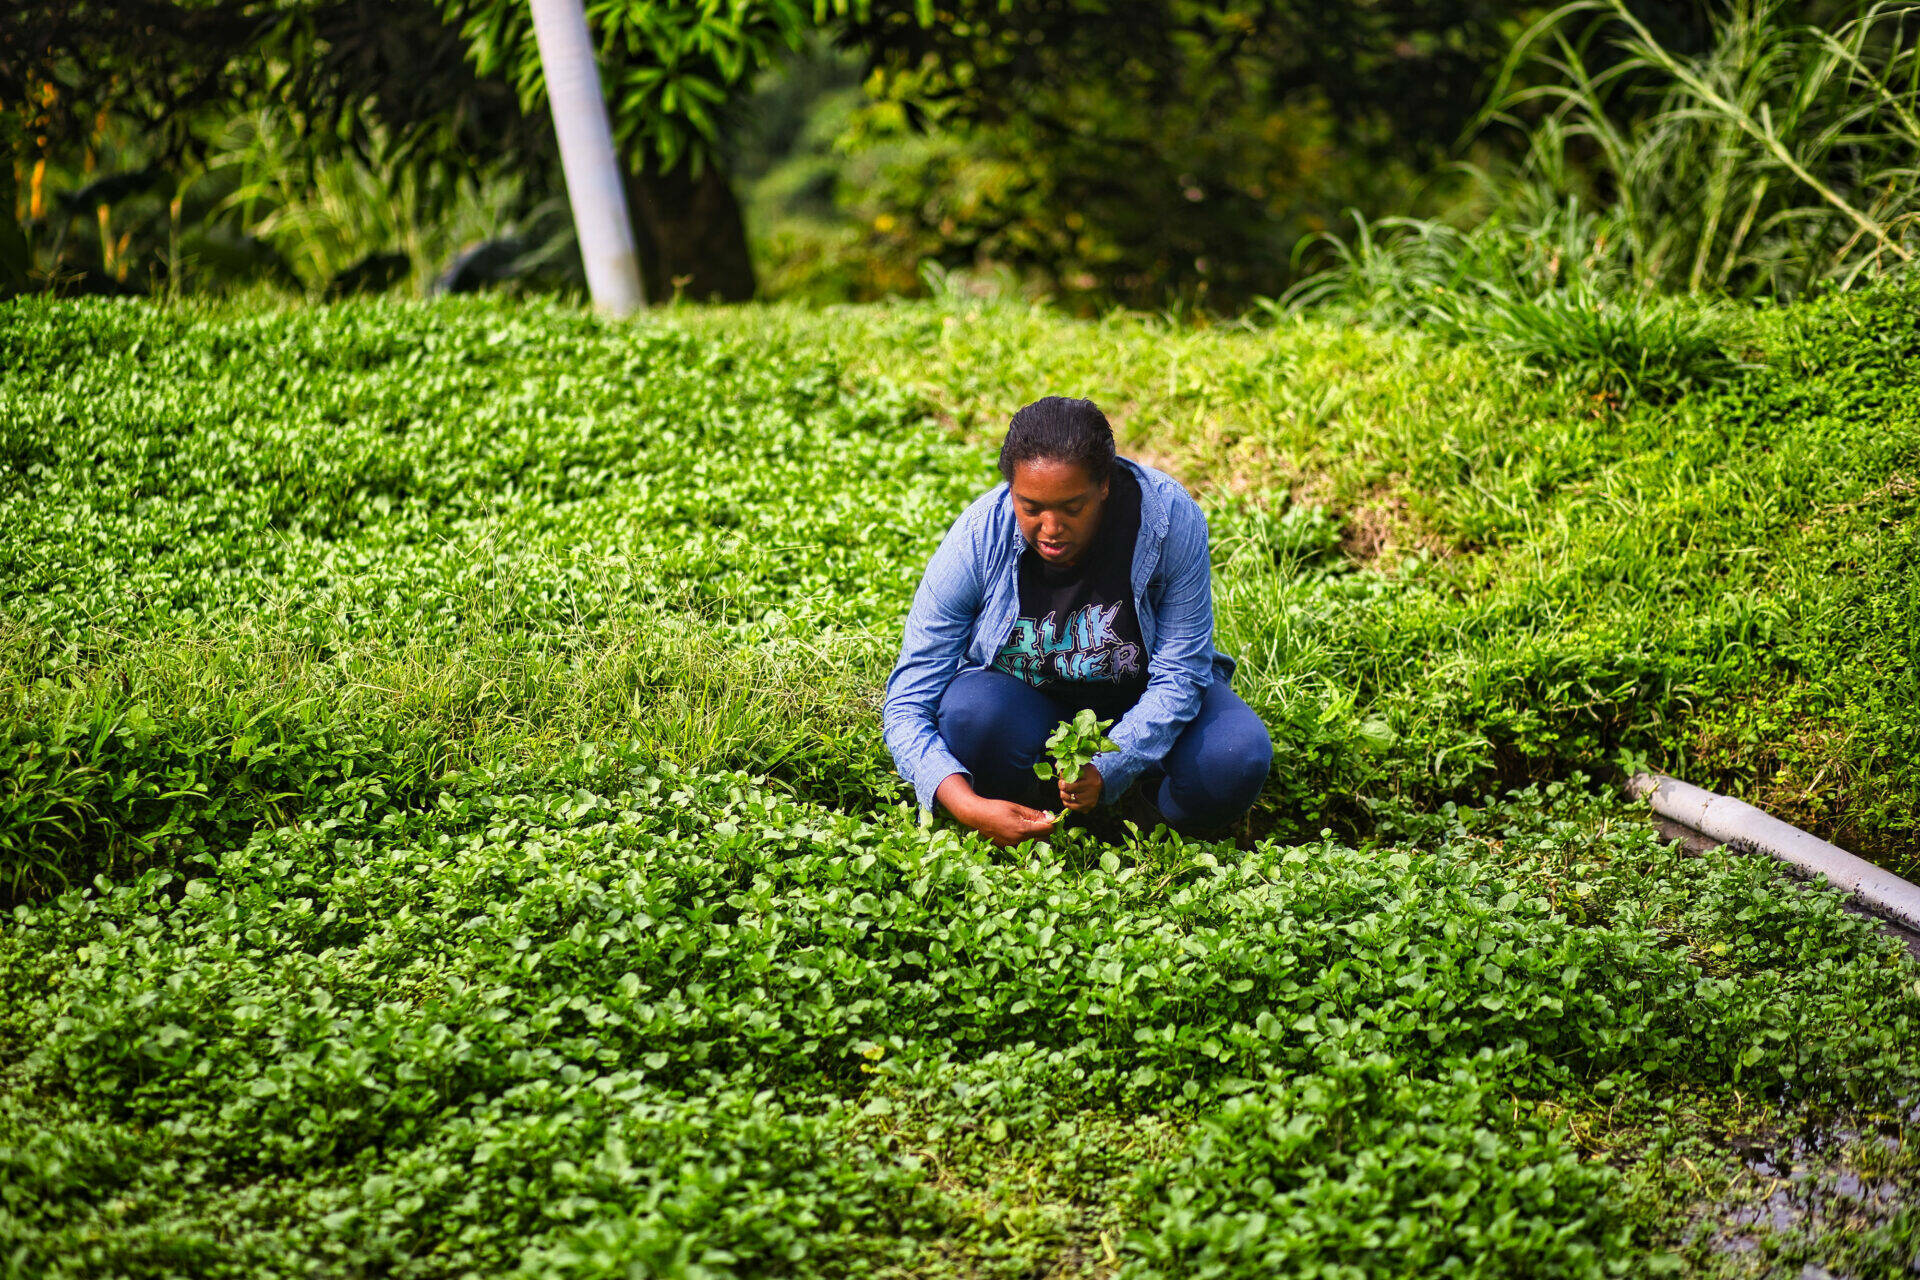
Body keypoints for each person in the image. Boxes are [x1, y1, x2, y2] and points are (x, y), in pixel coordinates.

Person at [882, 395, 1273, 847]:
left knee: (1234, 757)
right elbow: (908, 700)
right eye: (1030, 507)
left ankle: (1149, 818)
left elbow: (1182, 672)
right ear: (1010, 489)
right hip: (1030, 709)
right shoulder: (977, 538)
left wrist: (1110, 767)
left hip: (1142, 697)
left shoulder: (1167, 519)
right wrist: (967, 806)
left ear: (1103, 484)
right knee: (971, 716)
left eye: (1072, 508)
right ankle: (1040, 815)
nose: (1051, 527)